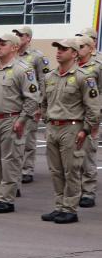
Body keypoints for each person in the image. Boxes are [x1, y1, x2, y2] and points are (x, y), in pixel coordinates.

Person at [40, 38, 100, 224]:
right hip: (53, 127)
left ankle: (70, 209)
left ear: (74, 54)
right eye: (58, 49)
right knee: (56, 170)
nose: (59, 52)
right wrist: (46, 120)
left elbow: (93, 107)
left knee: (71, 170)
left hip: (72, 127)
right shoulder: (50, 76)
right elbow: (44, 102)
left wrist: (86, 129)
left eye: (64, 49)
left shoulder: (84, 77)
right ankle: (59, 206)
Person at [0, 33, 39, 214]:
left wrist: (22, 120)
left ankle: (6, 199)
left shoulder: (23, 70)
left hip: (10, 120)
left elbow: (32, 99)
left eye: (3, 44)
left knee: (10, 162)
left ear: (14, 47)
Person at [13, 25, 50, 184]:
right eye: (16, 35)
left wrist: (40, 105)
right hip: (13, 103)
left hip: (30, 102)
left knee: (28, 139)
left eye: (21, 35)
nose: (18, 38)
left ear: (28, 38)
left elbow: (44, 80)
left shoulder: (37, 57)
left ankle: (27, 169)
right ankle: (14, 168)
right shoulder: (12, 55)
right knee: (15, 138)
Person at [76, 31, 101, 208]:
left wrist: (95, 119)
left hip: (90, 116)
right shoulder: (71, 65)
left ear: (91, 48)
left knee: (88, 155)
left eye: (81, 46)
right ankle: (74, 190)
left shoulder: (98, 66)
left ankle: (88, 192)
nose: (77, 48)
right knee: (73, 157)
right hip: (72, 117)